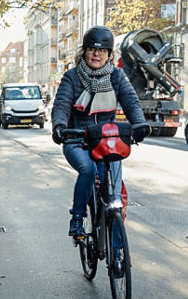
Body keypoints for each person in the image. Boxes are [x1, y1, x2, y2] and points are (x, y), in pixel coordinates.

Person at [50, 25, 149, 237]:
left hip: (107, 141)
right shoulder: (72, 77)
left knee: (114, 195)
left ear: (109, 54)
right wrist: (59, 127)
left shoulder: (117, 76)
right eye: (92, 49)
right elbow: (62, 105)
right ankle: (77, 218)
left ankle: (118, 255)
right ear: (84, 52)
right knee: (88, 169)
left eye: (102, 50)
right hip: (77, 139)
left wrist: (139, 124)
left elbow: (131, 102)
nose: (97, 54)